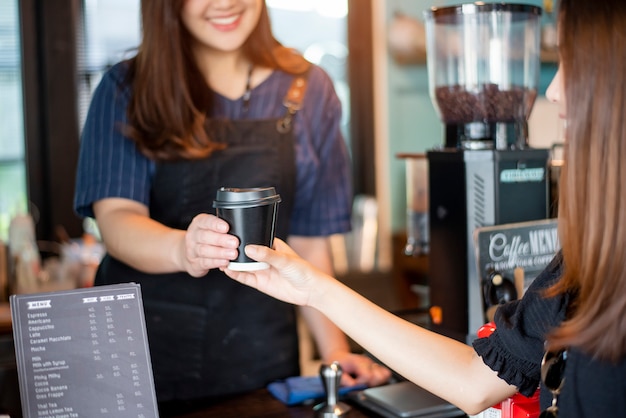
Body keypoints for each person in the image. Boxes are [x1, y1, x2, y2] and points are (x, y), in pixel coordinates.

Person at [224, 0, 626, 416]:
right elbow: (476, 381)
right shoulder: (589, 257)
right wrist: (312, 289)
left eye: (569, 61)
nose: (552, 89)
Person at [73, 0, 390, 411]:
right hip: (142, 360)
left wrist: (334, 353)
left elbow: (309, 245)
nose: (224, 3)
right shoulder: (125, 88)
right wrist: (184, 248)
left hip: (260, 359)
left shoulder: (308, 89)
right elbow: (116, 220)